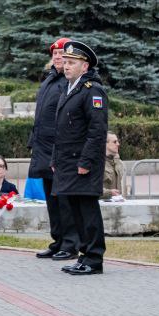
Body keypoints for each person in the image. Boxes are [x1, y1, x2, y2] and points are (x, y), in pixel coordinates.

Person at [51, 40, 108, 276]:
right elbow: (62, 129)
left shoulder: (92, 90)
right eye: (65, 62)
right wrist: (55, 158)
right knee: (75, 210)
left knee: (87, 211)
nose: (66, 66)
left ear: (85, 66)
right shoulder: (70, 87)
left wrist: (86, 162)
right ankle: (84, 255)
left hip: (83, 163)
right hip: (67, 162)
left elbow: (97, 131)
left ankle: (94, 258)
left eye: (72, 62)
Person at [28, 37, 79, 260]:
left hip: (59, 152)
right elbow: (41, 117)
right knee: (52, 199)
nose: (58, 57)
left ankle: (70, 243)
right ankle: (58, 240)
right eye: (55, 54)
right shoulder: (50, 79)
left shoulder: (69, 81)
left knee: (65, 200)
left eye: (62, 54)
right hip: (44, 149)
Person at [103, 134, 125, 201]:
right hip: (101, 206)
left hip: (117, 205)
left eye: (117, 141)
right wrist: (109, 193)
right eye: (115, 142)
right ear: (105, 144)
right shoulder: (97, 163)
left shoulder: (119, 163)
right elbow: (91, 187)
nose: (118, 144)